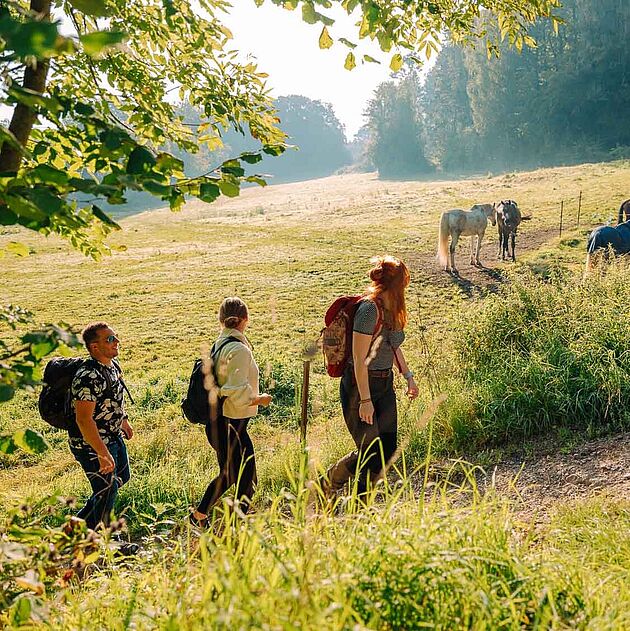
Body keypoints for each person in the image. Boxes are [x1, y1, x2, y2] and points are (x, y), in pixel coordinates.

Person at [324, 256, 419, 496]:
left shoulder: (392, 310)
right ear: (396, 284)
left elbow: (394, 346)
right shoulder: (368, 310)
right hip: (359, 387)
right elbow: (359, 359)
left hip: (384, 385)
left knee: (387, 451)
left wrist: (408, 376)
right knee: (369, 452)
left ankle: (338, 488)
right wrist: (365, 400)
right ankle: (344, 497)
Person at [190, 297, 272, 526]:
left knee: (232, 475)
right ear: (245, 320)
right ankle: (237, 524)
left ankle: (200, 516)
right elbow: (236, 391)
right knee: (246, 478)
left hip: (219, 422)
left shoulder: (220, 344)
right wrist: (260, 400)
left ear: (221, 320)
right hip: (231, 424)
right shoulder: (238, 349)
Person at [70, 322, 134, 533]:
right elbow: (84, 420)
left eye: (115, 337)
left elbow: (114, 397)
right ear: (94, 347)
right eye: (110, 339)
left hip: (113, 436)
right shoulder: (87, 377)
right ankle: (104, 539)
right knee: (107, 490)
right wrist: (102, 452)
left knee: (121, 478)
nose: (117, 342)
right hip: (90, 444)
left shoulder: (112, 366)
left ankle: (76, 527)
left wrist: (123, 420)